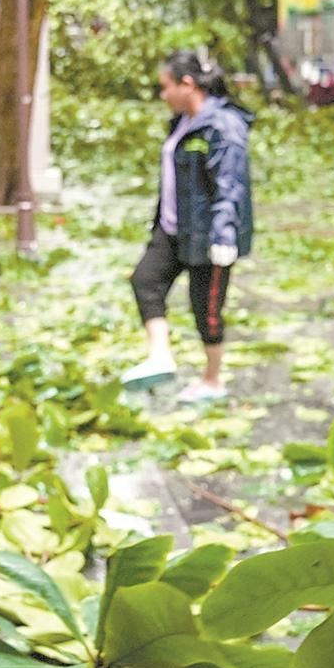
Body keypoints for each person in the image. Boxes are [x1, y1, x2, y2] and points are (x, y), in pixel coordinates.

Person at [123, 51, 254, 404]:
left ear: (187, 84)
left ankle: (212, 380)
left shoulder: (222, 126)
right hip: (172, 228)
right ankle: (160, 356)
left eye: (166, 87)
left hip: (209, 234)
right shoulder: (180, 123)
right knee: (145, 281)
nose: (162, 95)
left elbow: (231, 184)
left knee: (206, 309)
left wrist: (224, 234)